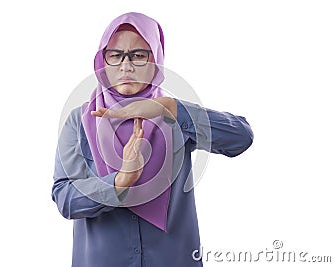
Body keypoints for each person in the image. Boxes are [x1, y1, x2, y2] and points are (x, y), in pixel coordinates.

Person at [51, 12, 253, 267]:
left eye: (138, 55)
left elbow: (241, 137)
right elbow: (65, 198)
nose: (126, 65)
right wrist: (121, 181)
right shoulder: (80, 120)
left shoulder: (175, 117)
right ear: (102, 62)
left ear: (155, 60)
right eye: (115, 55)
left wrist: (172, 108)